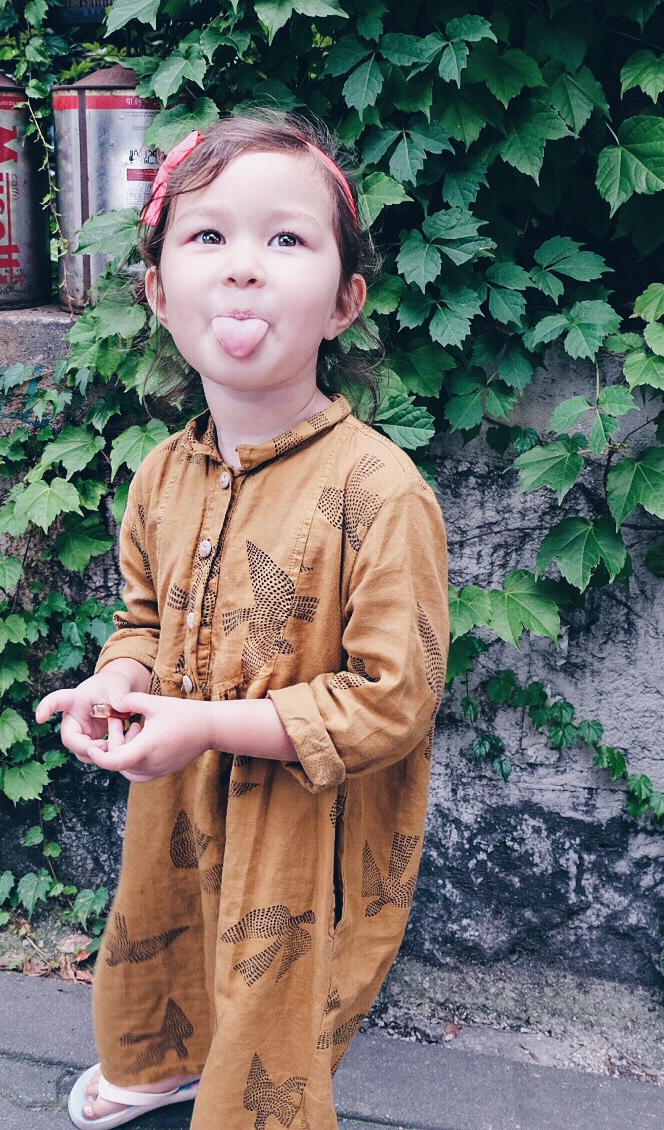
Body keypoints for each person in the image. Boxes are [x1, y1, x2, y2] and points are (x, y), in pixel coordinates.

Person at [35, 109, 450, 1130]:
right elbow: (142, 619)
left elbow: (391, 701)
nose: (244, 266)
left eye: (287, 238)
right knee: (158, 931)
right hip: (175, 802)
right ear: (157, 291)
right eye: (208, 234)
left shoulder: (380, 492)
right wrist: (118, 684)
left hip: (305, 829)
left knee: (273, 1021)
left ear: (345, 301)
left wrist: (207, 724)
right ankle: (159, 1063)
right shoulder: (161, 475)